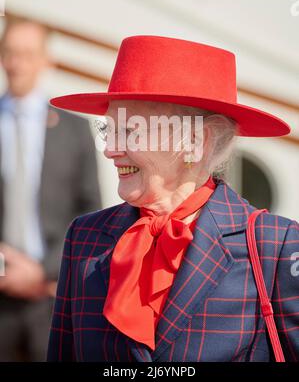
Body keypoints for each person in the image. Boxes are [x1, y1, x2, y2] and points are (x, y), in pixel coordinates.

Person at [47, 35, 299, 362]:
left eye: (131, 131)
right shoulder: (85, 237)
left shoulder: (275, 245)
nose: (110, 149)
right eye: (110, 130)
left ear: (196, 140)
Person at [0, 18, 101, 361]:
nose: (17, 64)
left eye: (27, 54)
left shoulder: (74, 129)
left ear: (46, 60)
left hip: (53, 297)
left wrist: (39, 272)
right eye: (10, 53)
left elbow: (91, 211)